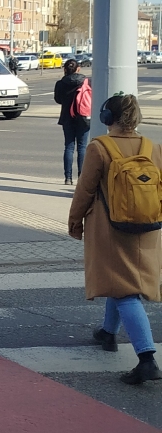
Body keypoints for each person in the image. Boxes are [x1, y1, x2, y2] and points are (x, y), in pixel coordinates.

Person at [69, 92, 162, 385]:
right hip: (147, 228)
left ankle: (146, 358)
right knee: (119, 281)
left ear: (107, 117)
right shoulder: (152, 147)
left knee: (124, 292)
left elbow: (85, 190)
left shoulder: (100, 148)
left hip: (111, 229)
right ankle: (108, 333)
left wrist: (74, 222)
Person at [54, 58, 91, 186]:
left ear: (65, 69)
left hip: (67, 117)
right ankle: (81, 177)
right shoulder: (86, 81)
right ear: (78, 69)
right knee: (82, 147)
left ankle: (68, 178)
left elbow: (58, 99)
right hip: (83, 117)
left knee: (69, 147)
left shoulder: (60, 83)